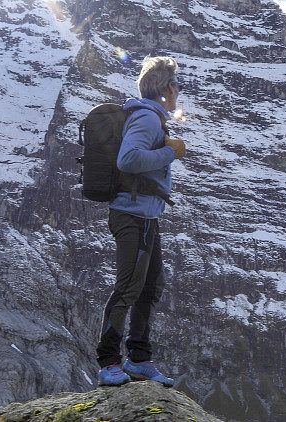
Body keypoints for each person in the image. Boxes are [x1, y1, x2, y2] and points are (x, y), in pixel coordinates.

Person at [95, 56, 186, 387]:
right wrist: (170, 153)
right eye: (178, 86)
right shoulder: (147, 118)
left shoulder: (151, 117)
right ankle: (108, 363)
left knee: (150, 286)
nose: (179, 93)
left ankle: (139, 359)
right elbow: (129, 159)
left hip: (146, 215)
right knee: (129, 288)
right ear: (168, 88)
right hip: (132, 216)